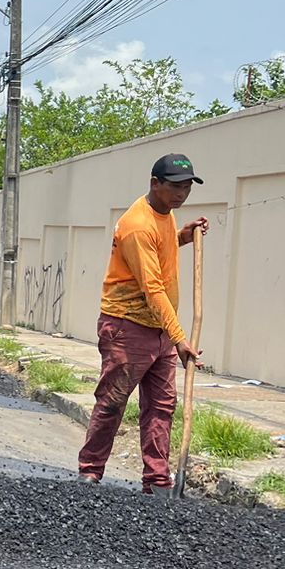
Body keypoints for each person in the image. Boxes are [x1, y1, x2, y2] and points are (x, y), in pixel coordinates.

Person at [78, 153, 210, 493]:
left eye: (187, 187)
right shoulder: (137, 224)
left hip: (159, 329)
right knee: (113, 401)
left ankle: (157, 481)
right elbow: (153, 288)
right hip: (127, 326)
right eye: (176, 186)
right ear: (155, 183)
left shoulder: (165, 214)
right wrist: (179, 338)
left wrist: (183, 236)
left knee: (162, 406)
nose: (182, 194)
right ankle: (89, 473)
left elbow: (160, 247)